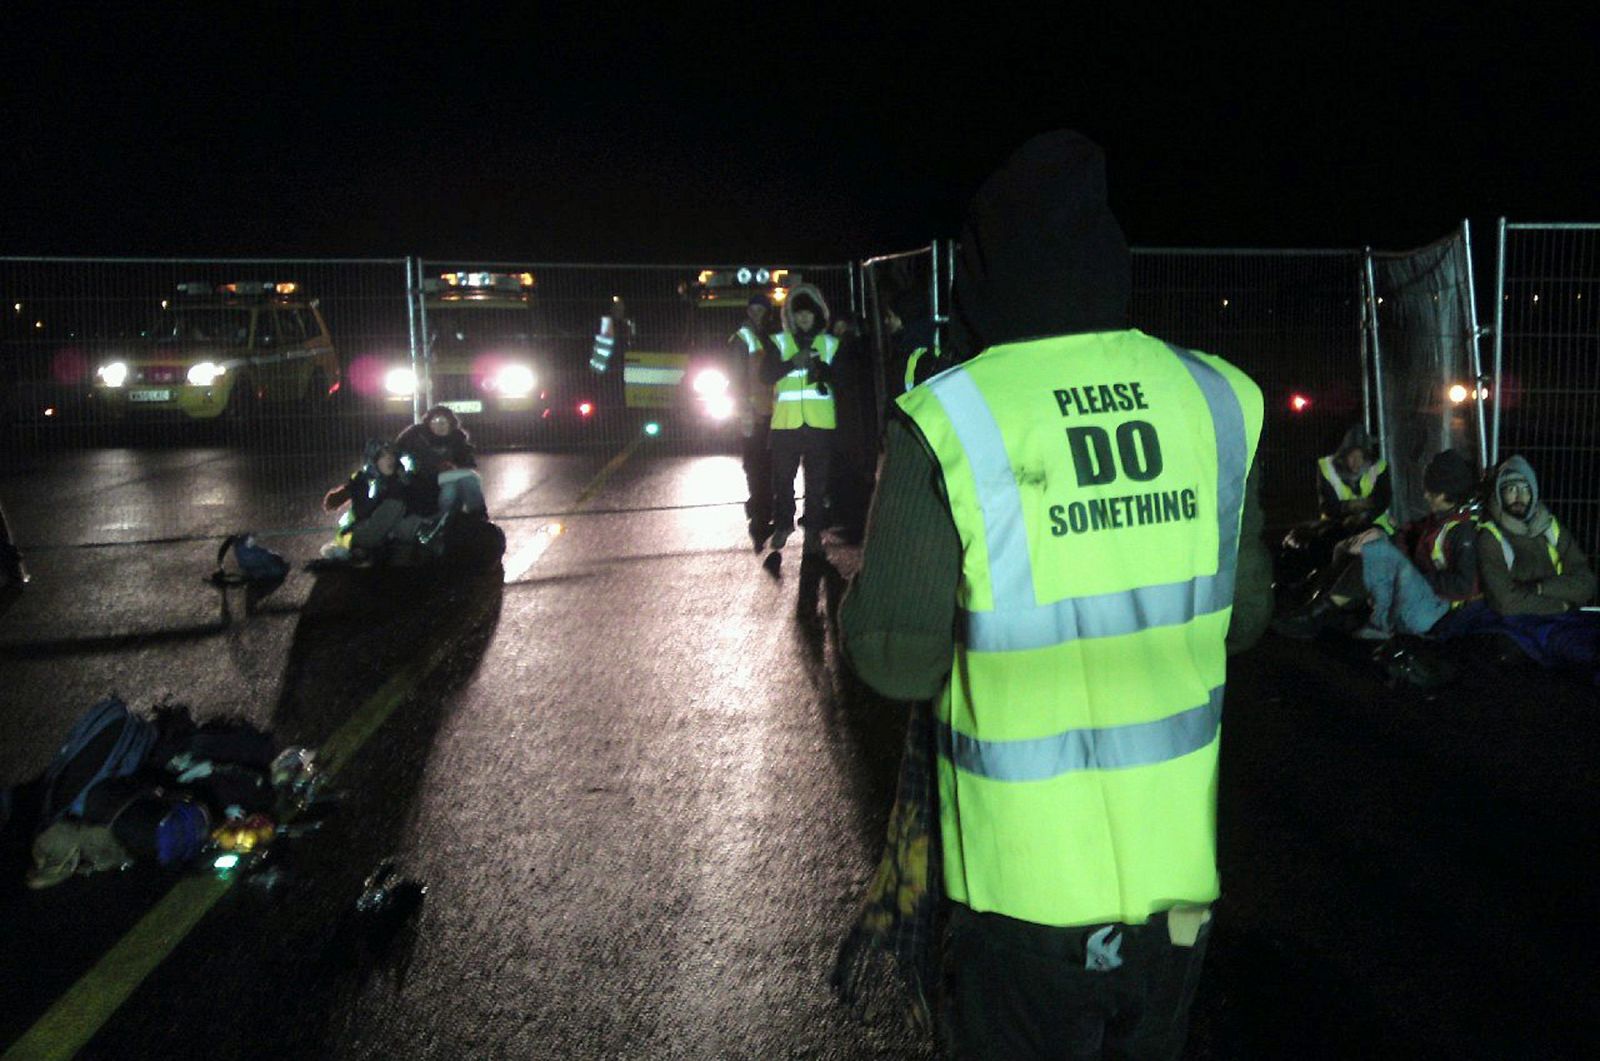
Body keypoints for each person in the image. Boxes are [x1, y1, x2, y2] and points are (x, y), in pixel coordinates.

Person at [839, 131, 1270, 1059]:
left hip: (1020, 894)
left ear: (984, 272)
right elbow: (1248, 616)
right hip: (1177, 884)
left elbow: (893, 655)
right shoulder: (1217, 397)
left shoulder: (953, 416)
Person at [1337, 448, 1489, 639]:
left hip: (1441, 611)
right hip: (1427, 598)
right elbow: (1409, 534)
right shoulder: (1441, 519)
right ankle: (1343, 607)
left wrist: (1415, 577)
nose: (1425, 496)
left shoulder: (1463, 532)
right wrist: (1385, 535)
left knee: (1379, 552)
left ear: (1445, 494)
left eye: (1431, 492)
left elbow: (1464, 585)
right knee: (1372, 542)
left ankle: (1340, 612)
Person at [1474, 456, 1600, 681]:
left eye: (1525, 489)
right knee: (1579, 651)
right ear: (1499, 494)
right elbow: (1505, 601)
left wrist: (1541, 588)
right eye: (1511, 489)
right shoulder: (1491, 535)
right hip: (1528, 624)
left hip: (1565, 617)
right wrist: (1561, 604)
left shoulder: (1549, 526)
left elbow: (1587, 582)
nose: (1519, 496)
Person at [760, 283, 839, 556]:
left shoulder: (831, 344)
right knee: (783, 480)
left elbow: (846, 379)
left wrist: (824, 371)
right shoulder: (779, 343)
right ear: (791, 316)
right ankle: (783, 525)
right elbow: (765, 375)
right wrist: (792, 363)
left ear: (818, 314)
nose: (804, 317)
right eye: (799, 313)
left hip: (820, 425)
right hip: (786, 425)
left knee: (817, 484)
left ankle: (813, 533)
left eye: (808, 312)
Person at [321, 440, 433, 564]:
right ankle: (360, 550)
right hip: (364, 530)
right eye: (383, 456)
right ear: (374, 460)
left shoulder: (404, 479)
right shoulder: (363, 480)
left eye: (391, 455)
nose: (389, 459)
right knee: (394, 505)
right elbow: (359, 504)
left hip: (395, 533)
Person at [396, 405, 486, 543]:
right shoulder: (416, 435)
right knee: (470, 477)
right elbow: (399, 451)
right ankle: (479, 516)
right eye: (435, 422)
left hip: (447, 479)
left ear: (451, 424)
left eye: (444, 422)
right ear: (428, 423)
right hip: (422, 478)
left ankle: (451, 521)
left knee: (453, 486)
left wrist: (454, 467)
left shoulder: (457, 439)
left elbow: (467, 462)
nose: (440, 426)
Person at [731, 295, 776, 548]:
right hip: (752, 412)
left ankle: (761, 508)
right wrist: (745, 407)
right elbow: (737, 377)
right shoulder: (744, 338)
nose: (758, 313)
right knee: (755, 462)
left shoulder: (768, 336)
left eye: (762, 309)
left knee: (764, 462)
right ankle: (759, 512)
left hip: (770, 410)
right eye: (754, 309)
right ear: (749, 312)